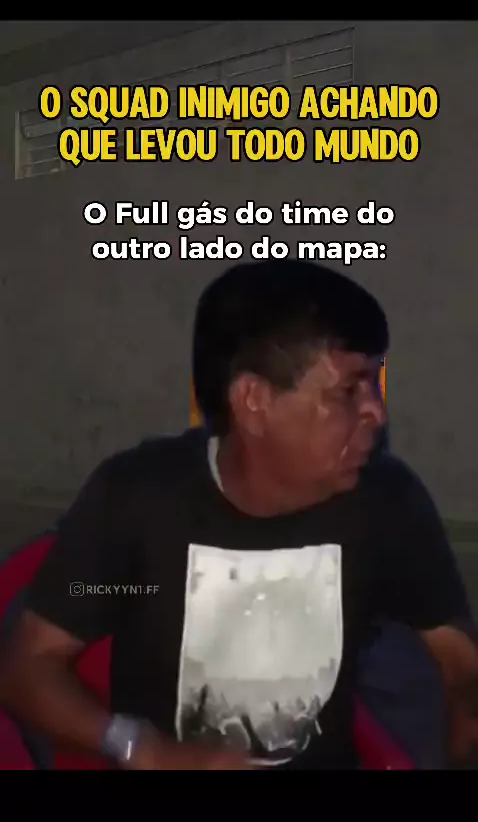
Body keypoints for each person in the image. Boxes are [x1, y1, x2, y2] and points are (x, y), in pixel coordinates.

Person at [1, 260, 477, 770]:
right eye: (348, 390)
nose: (376, 412)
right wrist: (142, 748)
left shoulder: (386, 501)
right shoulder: (139, 501)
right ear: (254, 400)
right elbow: (30, 665)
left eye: (375, 383)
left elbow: (461, 664)